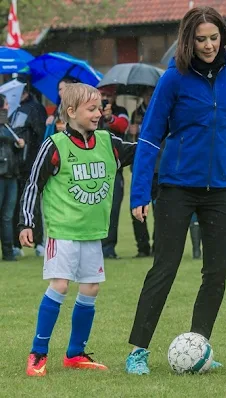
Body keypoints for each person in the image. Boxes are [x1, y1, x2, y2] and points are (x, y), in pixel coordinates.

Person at [125, 6, 226, 375]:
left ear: (223, 38)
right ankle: (137, 351)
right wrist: (139, 194)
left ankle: (198, 348)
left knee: (217, 272)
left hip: (223, 190)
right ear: (188, 41)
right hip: (177, 187)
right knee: (164, 267)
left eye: (214, 38)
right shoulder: (173, 79)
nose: (209, 45)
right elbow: (149, 137)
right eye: (201, 39)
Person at [19, 83, 136, 377]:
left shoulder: (109, 143)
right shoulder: (55, 144)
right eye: (92, 109)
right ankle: (38, 353)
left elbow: (143, 152)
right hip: (63, 231)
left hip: (92, 232)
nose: (99, 113)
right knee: (59, 286)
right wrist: (27, 222)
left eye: (100, 108)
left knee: (91, 289)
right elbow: (34, 183)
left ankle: (74, 354)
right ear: (71, 112)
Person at [11, 77, 48, 257]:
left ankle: (39, 241)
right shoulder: (12, 110)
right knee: (15, 205)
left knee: (32, 204)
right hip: (15, 165)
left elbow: (40, 134)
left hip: (31, 163)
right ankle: (15, 243)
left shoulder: (35, 108)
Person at [97, 86, 129, 259]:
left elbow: (123, 125)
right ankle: (95, 247)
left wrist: (110, 118)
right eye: (103, 95)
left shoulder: (121, 111)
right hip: (95, 169)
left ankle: (108, 248)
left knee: (113, 209)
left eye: (109, 95)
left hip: (114, 169)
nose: (106, 98)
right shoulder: (92, 113)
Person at [129, 87, 157, 257]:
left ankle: (158, 246)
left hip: (158, 167)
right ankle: (142, 246)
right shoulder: (135, 113)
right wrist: (131, 132)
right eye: (146, 93)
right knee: (137, 208)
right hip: (140, 166)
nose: (149, 96)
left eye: (152, 93)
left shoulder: (162, 109)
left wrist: (138, 130)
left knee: (160, 211)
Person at [0, 94, 26, 261]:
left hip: (11, 175)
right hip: (1, 175)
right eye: (6, 103)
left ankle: (9, 252)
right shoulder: (5, 128)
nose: (8, 106)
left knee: (8, 216)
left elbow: (12, 151)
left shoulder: (8, 126)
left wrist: (18, 145)